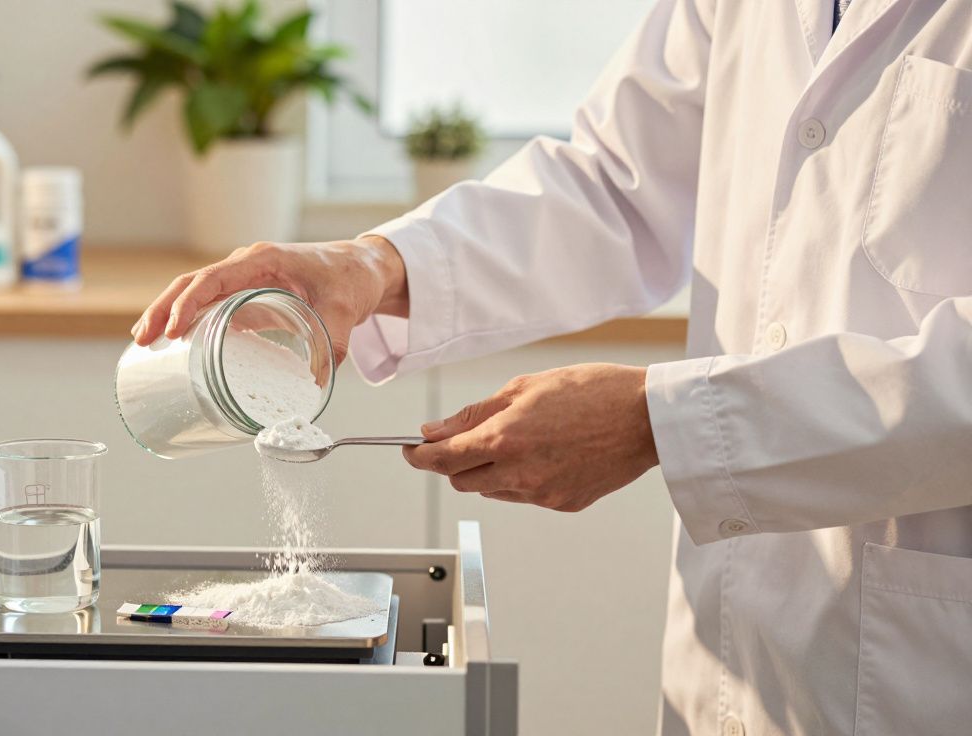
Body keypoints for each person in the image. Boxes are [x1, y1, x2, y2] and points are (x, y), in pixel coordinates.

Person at [133, 0, 972, 733]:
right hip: (739, 648)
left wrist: (663, 421)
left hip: (924, 668)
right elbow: (614, 184)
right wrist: (374, 265)